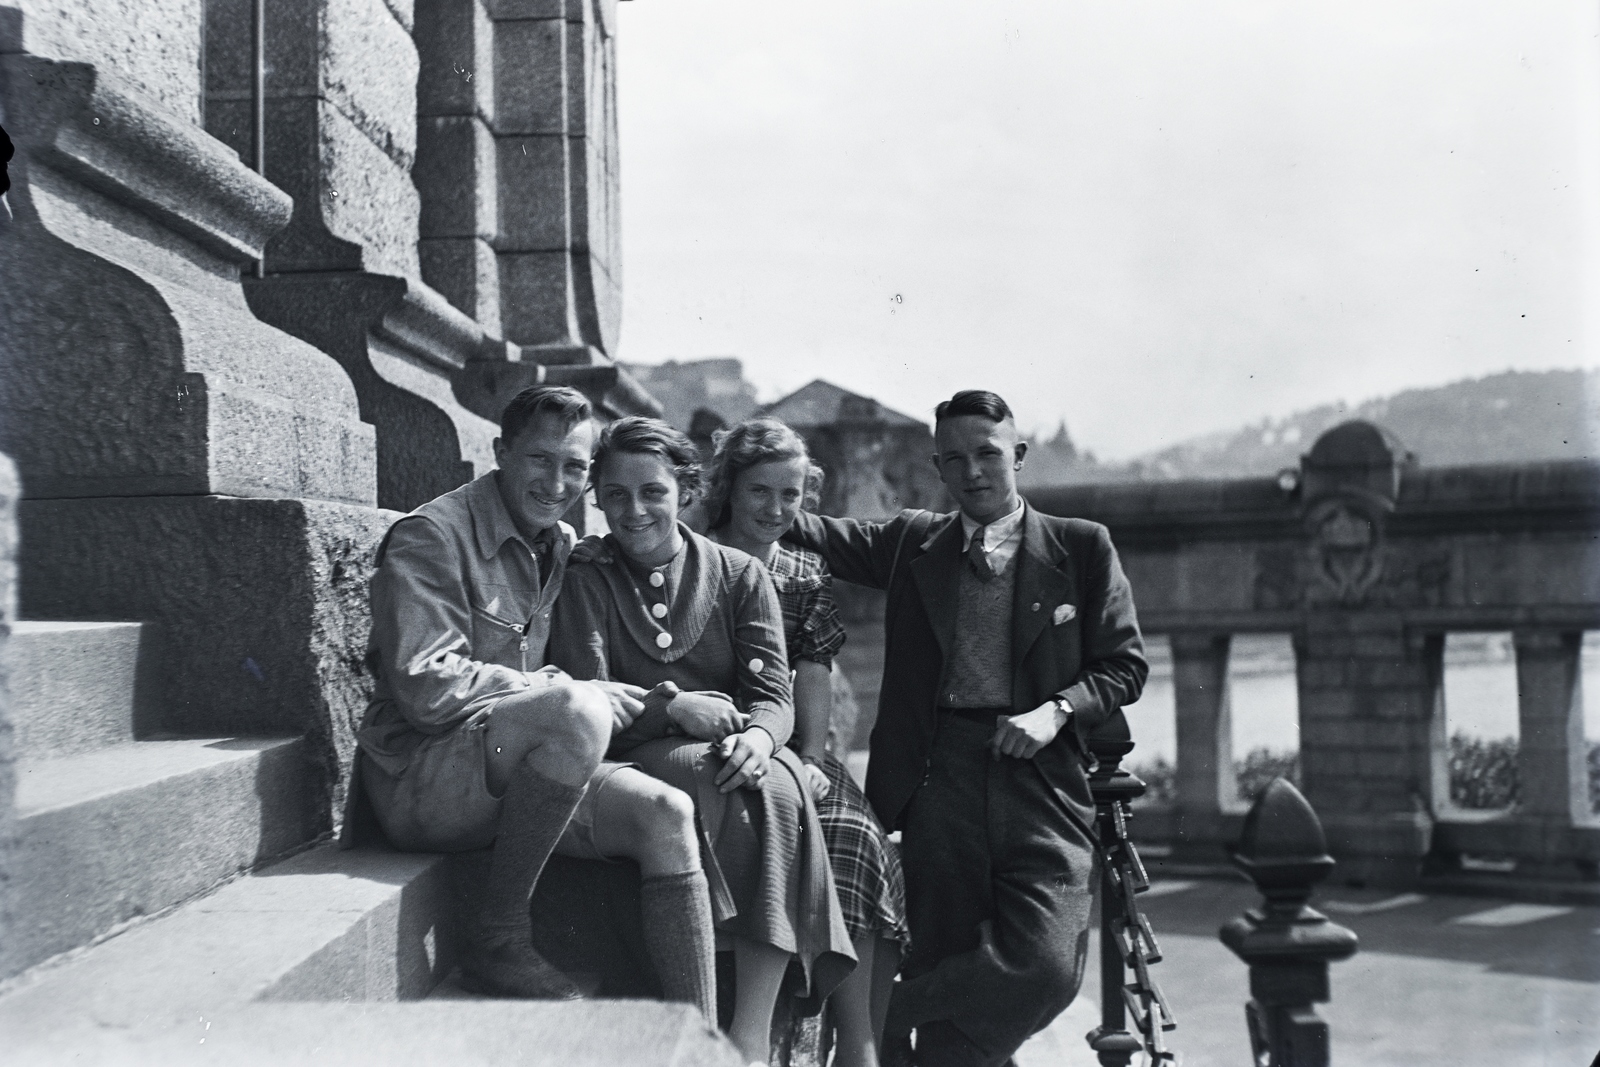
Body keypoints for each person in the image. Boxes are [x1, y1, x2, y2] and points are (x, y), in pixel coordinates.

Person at [782, 389, 1148, 1067]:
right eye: (955, 459)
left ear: (1018, 454)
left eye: (987, 452)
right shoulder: (914, 541)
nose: (974, 471)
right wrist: (720, 502)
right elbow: (810, 529)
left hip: (1040, 778)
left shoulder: (1081, 546)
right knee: (955, 1023)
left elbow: (1124, 665)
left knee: (1047, 964)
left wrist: (1056, 710)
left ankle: (887, 1002)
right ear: (939, 468)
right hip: (936, 782)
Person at [341, 386, 718, 1022]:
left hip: (512, 773)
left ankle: (703, 1040)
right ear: (500, 452)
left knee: (667, 812)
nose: (557, 482)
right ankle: (499, 934)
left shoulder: (558, 541)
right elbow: (426, 687)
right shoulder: (432, 534)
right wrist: (558, 690)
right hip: (423, 780)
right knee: (576, 710)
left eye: (575, 466)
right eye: (541, 460)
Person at [546, 416, 855, 1066]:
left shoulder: (740, 573)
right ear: (596, 498)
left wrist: (767, 741)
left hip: (733, 748)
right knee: (740, 780)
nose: (635, 511)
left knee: (776, 780)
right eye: (617, 494)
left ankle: (749, 1028)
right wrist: (674, 706)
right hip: (628, 749)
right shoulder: (588, 573)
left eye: (653, 492)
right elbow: (592, 693)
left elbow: (774, 697)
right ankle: (737, 1031)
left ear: (685, 490)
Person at [703, 417, 909, 1067]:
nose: (775, 509)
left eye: (790, 495)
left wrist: (815, 759)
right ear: (731, 488)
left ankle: (860, 1043)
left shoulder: (802, 571)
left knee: (856, 834)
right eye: (760, 491)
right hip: (719, 730)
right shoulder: (696, 555)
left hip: (791, 738)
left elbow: (813, 671)